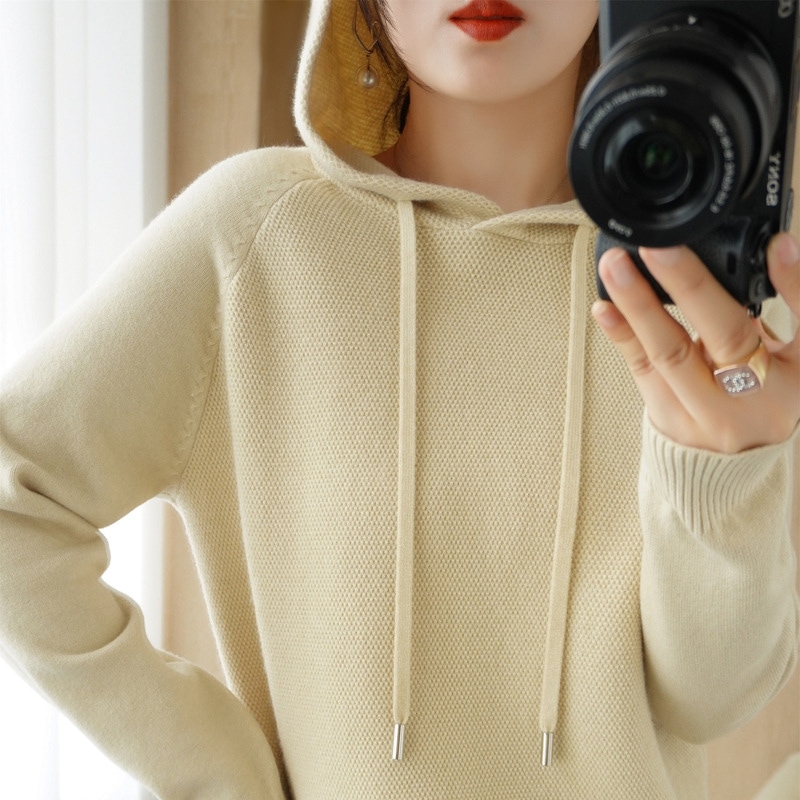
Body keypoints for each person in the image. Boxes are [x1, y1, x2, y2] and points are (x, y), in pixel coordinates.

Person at [0, 0, 798, 797]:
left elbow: (711, 702)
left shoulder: (701, 294)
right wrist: (220, 774)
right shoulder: (256, 238)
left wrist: (723, 478)